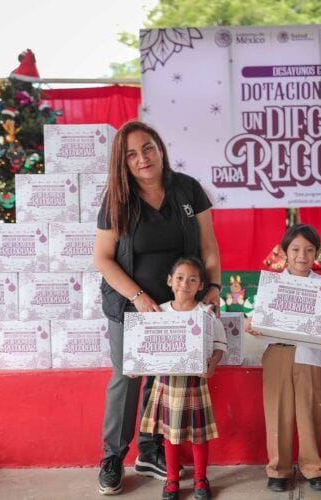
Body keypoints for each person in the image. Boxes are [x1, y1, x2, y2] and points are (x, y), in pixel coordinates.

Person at [93, 121, 222, 495]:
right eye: (131, 154)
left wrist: (213, 287)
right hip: (130, 305)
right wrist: (137, 297)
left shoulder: (188, 189)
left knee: (165, 376)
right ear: (123, 162)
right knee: (128, 377)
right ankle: (113, 457)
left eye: (148, 148)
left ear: (160, 148)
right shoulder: (117, 199)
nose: (142, 158)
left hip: (180, 305)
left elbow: (208, 247)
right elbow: (103, 258)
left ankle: (150, 452)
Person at [245, 224, 321, 493]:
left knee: (310, 411)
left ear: (317, 254)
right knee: (277, 411)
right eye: (296, 249)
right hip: (277, 351)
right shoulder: (272, 284)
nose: (302, 255)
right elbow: (256, 317)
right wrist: (252, 324)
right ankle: (279, 469)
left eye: (309, 250)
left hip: (309, 354)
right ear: (284, 252)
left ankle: (313, 468)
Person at [139, 256, 227, 500]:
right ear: (170, 281)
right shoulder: (159, 312)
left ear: (201, 285)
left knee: (199, 435)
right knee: (170, 435)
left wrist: (212, 363)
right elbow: (145, 346)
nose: (184, 284)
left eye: (192, 280)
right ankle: (172, 480)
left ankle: (200, 479)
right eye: (179, 278)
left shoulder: (206, 313)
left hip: (195, 383)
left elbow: (220, 345)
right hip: (166, 383)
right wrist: (136, 364)